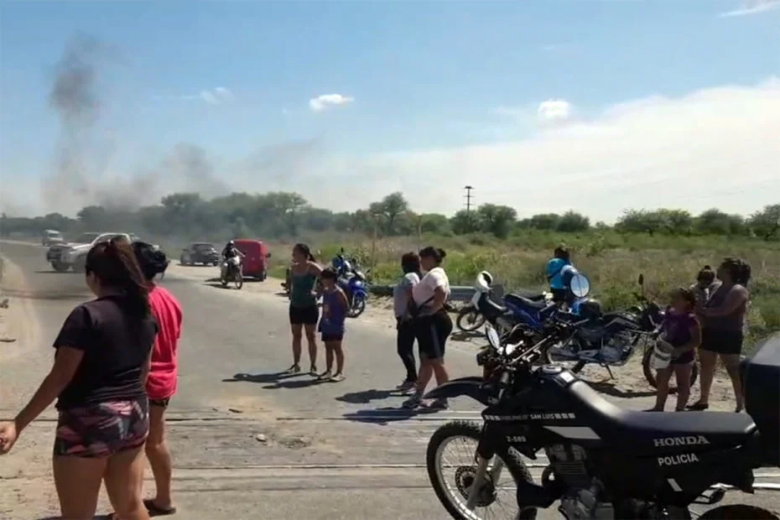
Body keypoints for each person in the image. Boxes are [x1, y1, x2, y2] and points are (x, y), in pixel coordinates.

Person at [0, 239, 157, 520]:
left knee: (78, 514)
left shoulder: (87, 315)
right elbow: (144, 373)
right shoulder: (145, 314)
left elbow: (60, 377)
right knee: (131, 506)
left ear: (92, 276)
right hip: (135, 413)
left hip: (90, 419)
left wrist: (17, 424)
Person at [132, 242, 182, 517]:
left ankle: (131, 507)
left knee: (134, 446)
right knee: (156, 441)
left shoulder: (138, 302)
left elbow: (143, 351)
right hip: (165, 379)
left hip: (144, 381)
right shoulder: (168, 298)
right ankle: (163, 499)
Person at [689, 258, 751, 412]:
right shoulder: (717, 287)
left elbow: (724, 311)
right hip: (710, 331)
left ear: (729, 271)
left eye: (721, 267)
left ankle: (740, 404)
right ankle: (703, 400)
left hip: (729, 334)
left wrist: (701, 310)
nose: (718, 269)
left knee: (733, 370)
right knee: (706, 367)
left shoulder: (738, 290)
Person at [403, 247, 453, 410]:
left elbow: (441, 290)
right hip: (429, 321)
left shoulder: (434, 274)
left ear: (431, 258)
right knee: (426, 360)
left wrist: (432, 311)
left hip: (433, 321)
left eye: (423, 258)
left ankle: (443, 398)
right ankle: (419, 395)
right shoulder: (435, 273)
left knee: (436, 361)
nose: (421, 262)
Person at [647, 288, 701, 412]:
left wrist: (680, 350)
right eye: (672, 297)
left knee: (682, 383)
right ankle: (658, 407)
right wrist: (657, 331)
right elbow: (664, 325)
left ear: (687, 302)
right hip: (666, 351)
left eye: (677, 298)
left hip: (683, 355)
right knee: (661, 380)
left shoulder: (690, 319)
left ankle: (679, 410)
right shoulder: (670, 312)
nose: (673, 300)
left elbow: (697, 341)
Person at [286, 243, 322, 375]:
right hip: (295, 306)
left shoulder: (312, 267)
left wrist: (318, 292)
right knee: (296, 336)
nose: (293, 255)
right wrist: (289, 291)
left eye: (295, 253)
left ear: (303, 254)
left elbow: (326, 278)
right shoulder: (293, 268)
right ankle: (296, 364)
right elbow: (290, 281)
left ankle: (313, 365)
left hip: (309, 307)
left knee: (311, 336)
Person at [393, 252, 421, 392]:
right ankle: (412, 378)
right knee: (406, 349)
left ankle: (412, 379)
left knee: (403, 349)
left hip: (407, 318)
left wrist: (407, 314)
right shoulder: (414, 276)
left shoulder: (410, 276)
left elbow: (413, 293)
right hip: (407, 317)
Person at [317, 267, 348, 382]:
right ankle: (328, 370)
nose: (322, 280)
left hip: (336, 324)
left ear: (330, 279)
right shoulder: (325, 291)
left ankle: (339, 372)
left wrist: (339, 321)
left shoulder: (338, 292)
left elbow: (346, 308)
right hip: (326, 323)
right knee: (328, 348)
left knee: (337, 348)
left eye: (324, 278)